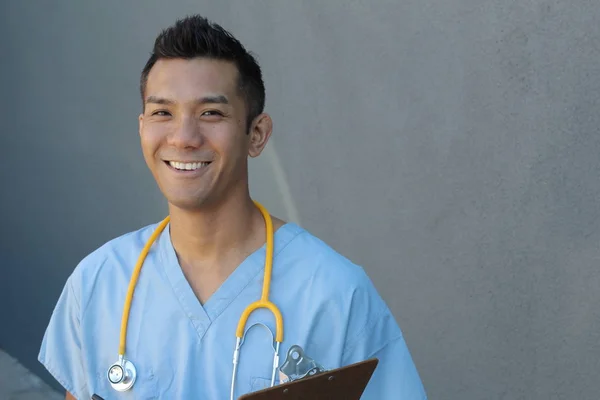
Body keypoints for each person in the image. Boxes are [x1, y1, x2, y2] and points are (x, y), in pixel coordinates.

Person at [38, 14, 427, 399]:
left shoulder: (335, 293)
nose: (184, 137)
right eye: (162, 113)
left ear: (256, 134)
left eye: (211, 113)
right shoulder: (99, 283)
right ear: (142, 128)